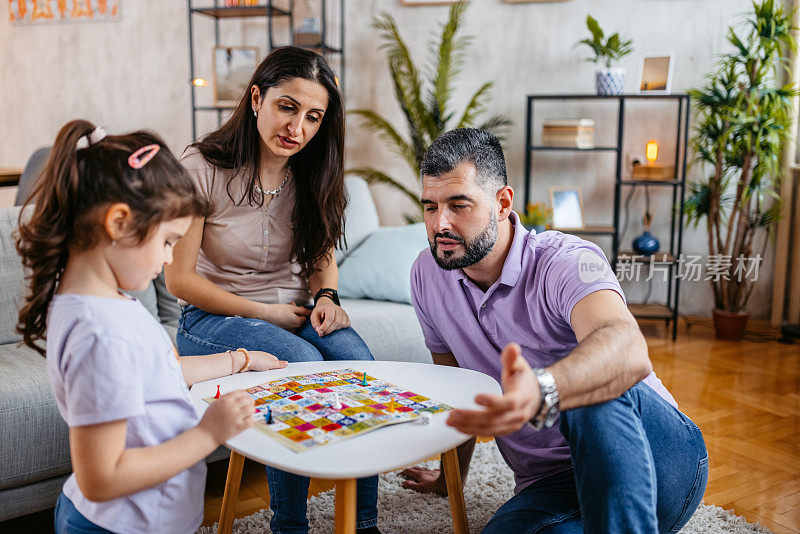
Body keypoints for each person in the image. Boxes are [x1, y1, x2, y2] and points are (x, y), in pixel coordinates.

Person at [402, 128, 708, 533]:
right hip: (553, 485)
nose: (440, 223)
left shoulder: (566, 261)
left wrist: (545, 388)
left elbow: (628, 349)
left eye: (459, 205)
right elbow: (458, 388)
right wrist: (446, 480)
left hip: (657, 463)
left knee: (587, 387)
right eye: (430, 207)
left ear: (501, 203)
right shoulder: (427, 274)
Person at [15, 120, 289, 534]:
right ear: (119, 223)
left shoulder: (112, 303)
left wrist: (240, 360)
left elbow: (160, 372)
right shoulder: (99, 334)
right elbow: (101, 477)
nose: (167, 261)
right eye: (166, 242)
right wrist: (207, 434)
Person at [164, 46, 380, 534]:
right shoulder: (201, 166)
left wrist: (327, 298)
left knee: (362, 365)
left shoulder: (314, 170)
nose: (297, 128)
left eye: (312, 117)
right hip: (209, 322)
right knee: (299, 369)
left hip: (295, 312)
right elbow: (178, 280)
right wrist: (266, 314)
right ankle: (289, 525)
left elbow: (322, 261)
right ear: (257, 98)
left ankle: (364, 524)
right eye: (288, 107)